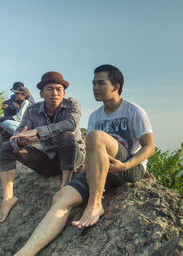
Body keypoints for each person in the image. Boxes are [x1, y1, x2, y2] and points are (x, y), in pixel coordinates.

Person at [15, 64, 155, 256]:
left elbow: (149, 147)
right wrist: (89, 177)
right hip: (102, 169)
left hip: (128, 167)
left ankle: (95, 204)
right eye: (93, 84)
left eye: (100, 83)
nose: (95, 88)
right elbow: (92, 153)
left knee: (96, 136)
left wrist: (125, 164)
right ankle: (25, 253)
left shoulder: (133, 111)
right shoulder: (95, 115)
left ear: (115, 86)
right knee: (61, 198)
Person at [0, 71, 85, 223]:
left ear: (64, 92)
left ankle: (65, 186)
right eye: (50, 89)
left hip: (73, 157)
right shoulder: (33, 111)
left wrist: (39, 132)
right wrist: (20, 141)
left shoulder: (72, 105)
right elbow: (19, 132)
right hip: (49, 160)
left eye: (59, 89)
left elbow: (70, 124)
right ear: (41, 94)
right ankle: (8, 198)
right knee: (7, 146)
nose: (55, 93)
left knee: (66, 135)